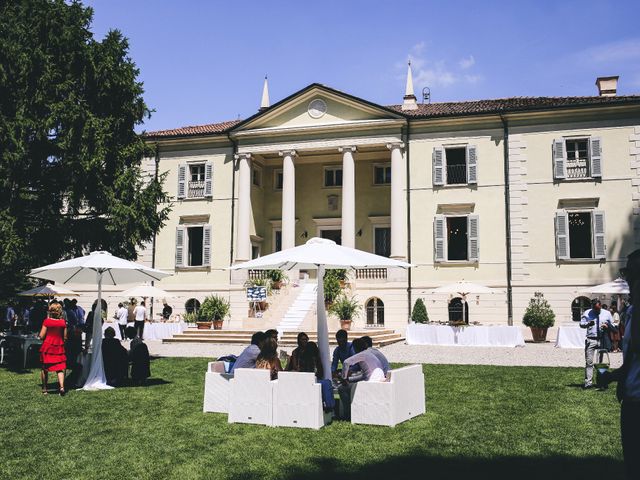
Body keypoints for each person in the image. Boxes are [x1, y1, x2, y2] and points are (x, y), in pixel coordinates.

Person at [600, 250, 640, 480]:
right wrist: (617, 377)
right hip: (631, 394)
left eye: (632, 273)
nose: (628, 279)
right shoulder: (633, 311)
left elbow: (636, 347)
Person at [338, 337, 385, 420]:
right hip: (378, 380)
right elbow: (365, 375)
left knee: (342, 388)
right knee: (349, 386)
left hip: (371, 383)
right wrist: (349, 379)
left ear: (355, 348)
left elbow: (346, 362)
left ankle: (348, 415)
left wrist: (344, 378)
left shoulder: (362, 354)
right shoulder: (369, 354)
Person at [580, 298, 614, 389]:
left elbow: (614, 325)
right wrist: (587, 324)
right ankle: (588, 383)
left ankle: (601, 382)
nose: (597, 311)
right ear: (592, 307)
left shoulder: (606, 313)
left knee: (600, 363)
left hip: (601, 340)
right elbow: (581, 324)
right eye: (595, 309)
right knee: (589, 362)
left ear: (600, 306)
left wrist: (607, 326)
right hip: (591, 340)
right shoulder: (587, 313)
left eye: (598, 309)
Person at [38, 303, 67, 395]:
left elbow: (41, 336)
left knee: (44, 368)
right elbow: (65, 337)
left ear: (50, 311)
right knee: (60, 369)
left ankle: (44, 389)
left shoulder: (47, 321)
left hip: (47, 347)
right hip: (59, 347)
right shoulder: (63, 322)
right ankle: (61, 387)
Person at [298, 341, 335, 411]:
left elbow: (320, 373)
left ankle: (329, 405)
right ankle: (329, 405)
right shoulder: (304, 360)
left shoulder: (317, 360)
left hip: (314, 380)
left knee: (327, 383)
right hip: (307, 382)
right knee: (327, 383)